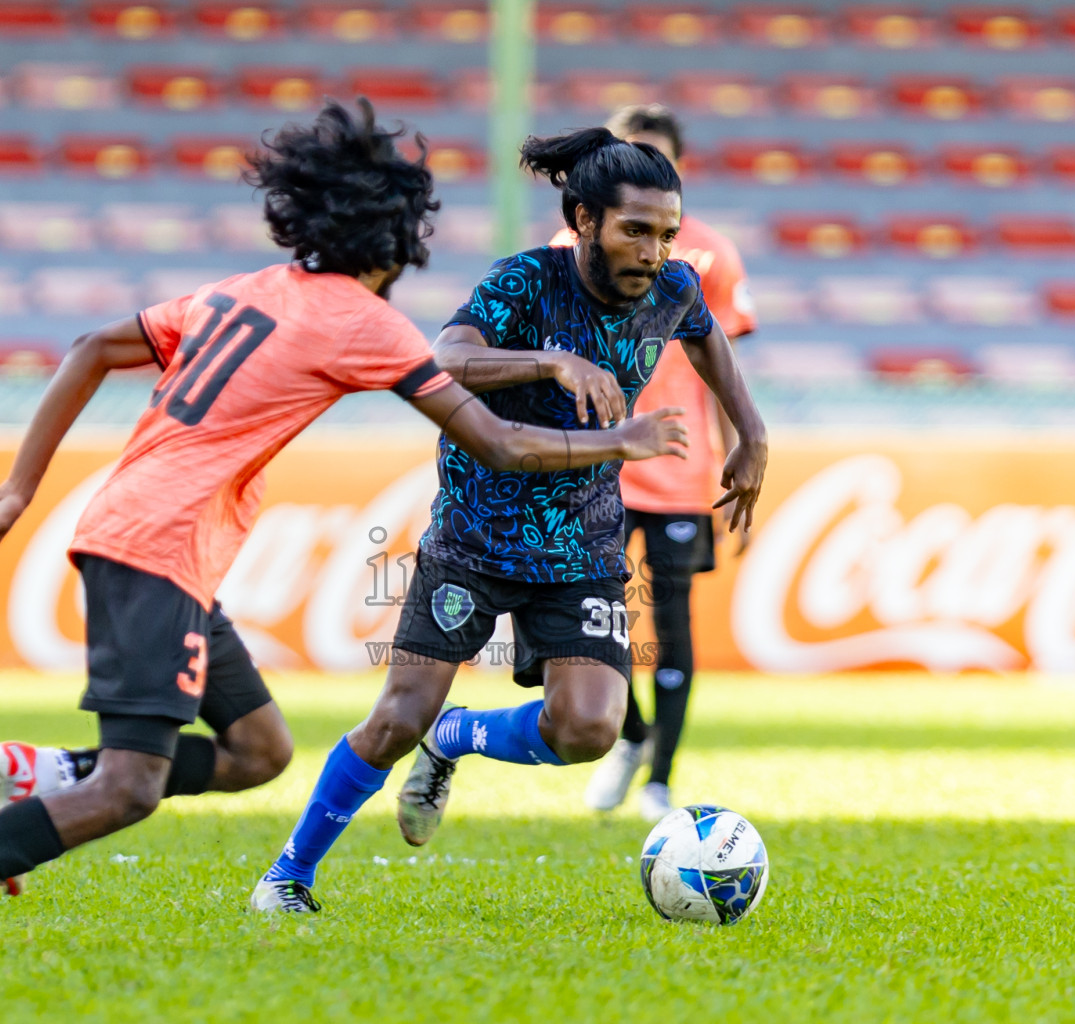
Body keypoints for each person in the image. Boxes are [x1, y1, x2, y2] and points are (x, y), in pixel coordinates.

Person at [0, 99, 689, 953]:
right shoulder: (363, 323)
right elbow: (497, 442)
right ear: (398, 240)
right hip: (156, 549)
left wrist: (21, 488)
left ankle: (52, 772)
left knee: (258, 750)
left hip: (152, 540)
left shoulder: (247, 291)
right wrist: (621, 440)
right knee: (133, 787)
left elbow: (93, 344)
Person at [251, 125, 767, 914]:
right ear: (586, 220)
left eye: (667, 233)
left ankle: (456, 738)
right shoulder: (525, 282)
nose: (655, 251)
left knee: (590, 728)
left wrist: (752, 432)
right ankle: (288, 874)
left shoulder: (674, 288)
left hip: (583, 540)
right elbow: (441, 359)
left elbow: (708, 341)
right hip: (475, 536)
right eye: (637, 230)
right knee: (396, 718)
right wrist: (551, 360)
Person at [552, 105, 759, 822]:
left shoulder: (706, 256)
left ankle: (661, 778)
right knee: (585, 616)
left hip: (675, 462)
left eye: (656, 157)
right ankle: (629, 735)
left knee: (672, 627)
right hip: (590, 463)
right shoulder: (569, 245)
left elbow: (721, 362)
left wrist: (742, 443)